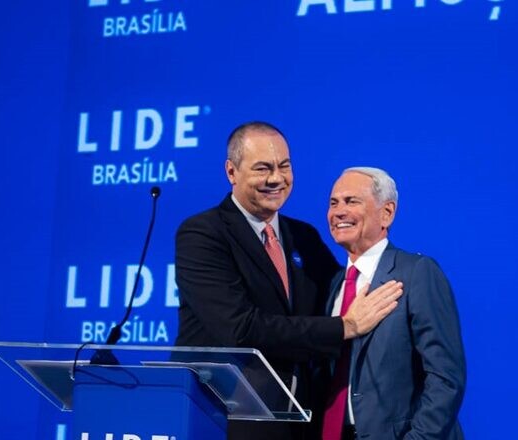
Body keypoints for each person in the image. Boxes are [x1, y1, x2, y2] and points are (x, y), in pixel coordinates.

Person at [175, 122, 403, 440]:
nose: (276, 179)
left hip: (298, 422)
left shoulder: (304, 237)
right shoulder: (203, 234)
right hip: (224, 422)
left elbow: (338, 297)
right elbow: (239, 329)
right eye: (263, 168)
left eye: (284, 166)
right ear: (231, 172)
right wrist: (345, 327)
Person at [322, 167, 467, 440]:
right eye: (333, 203)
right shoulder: (334, 285)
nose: (338, 211)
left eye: (352, 201)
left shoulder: (417, 273)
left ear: (387, 213)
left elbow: (446, 378)